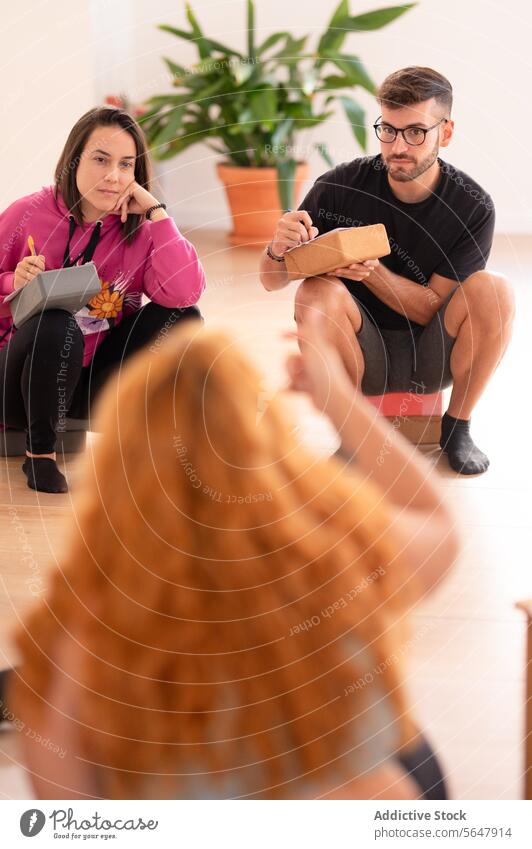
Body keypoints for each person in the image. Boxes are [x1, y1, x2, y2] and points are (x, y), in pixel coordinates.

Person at [10, 317, 459, 800]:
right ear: (268, 445)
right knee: (411, 755)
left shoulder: (68, 637)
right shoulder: (337, 552)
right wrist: (336, 398)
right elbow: (438, 526)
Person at [259, 66, 515, 476]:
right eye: (388, 130)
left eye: (416, 132)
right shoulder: (340, 186)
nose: (399, 145)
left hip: (432, 354)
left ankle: (458, 426)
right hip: (360, 352)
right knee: (314, 292)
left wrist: (372, 272)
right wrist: (276, 248)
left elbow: (430, 309)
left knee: (495, 291)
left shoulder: (472, 205)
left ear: (445, 133)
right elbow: (272, 281)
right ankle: (349, 430)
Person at [0, 106, 206, 493]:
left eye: (126, 164)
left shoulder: (141, 231)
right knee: (57, 321)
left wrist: (159, 215)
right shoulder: (27, 213)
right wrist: (14, 279)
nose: (113, 176)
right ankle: (40, 454)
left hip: (87, 381)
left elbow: (184, 292)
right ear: (73, 159)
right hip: (18, 384)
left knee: (183, 317)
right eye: (100, 160)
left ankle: (142, 437)